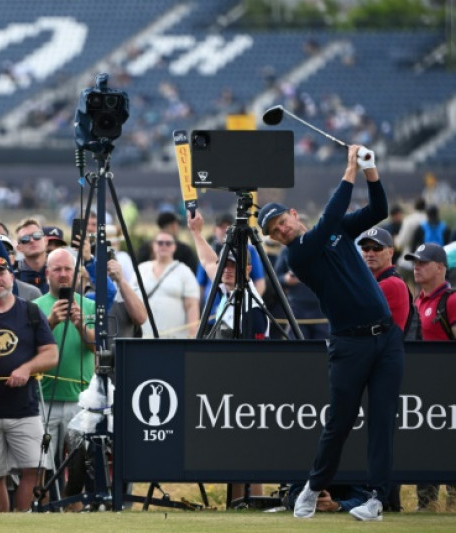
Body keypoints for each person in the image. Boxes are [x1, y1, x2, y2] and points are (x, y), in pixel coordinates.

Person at [258, 145, 403, 522]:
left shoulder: (335, 229)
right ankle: (312, 487)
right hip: (349, 343)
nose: (282, 230)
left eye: (282, 222)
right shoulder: (298, 255)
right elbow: (331, 217)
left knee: (383, 420)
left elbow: (377, 212)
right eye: (275, 232)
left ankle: (375, 499)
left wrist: (371, 170)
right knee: (339, 421)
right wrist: (350, 167)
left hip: (386, 338)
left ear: (292, 214)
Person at [0, 256, 58, 512]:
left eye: (1, 274)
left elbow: (51, 354)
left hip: (27, 410)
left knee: (38, 467)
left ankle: (26, 522)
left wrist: (26, 368)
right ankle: (3, 526)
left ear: (12, 277)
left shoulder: (31, 311)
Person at [34, 249, 96, 484]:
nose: (62, 274)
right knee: (42, 463)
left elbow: (98, 348)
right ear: (47, 273)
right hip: (44, 398)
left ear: (76, 273)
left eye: (67, 269)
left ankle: (75, 509)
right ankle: (44, 507)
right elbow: (28, 349)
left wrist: (81, 325)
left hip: (79, 399)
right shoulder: (35, 306)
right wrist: (50, 322)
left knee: (80, 463)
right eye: (57, 269)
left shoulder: (89, 306)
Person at [405, 243, 456, 511]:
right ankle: (426, 503)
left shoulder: (452, 300)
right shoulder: (418, 301)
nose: (417, 266)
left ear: (440, 267)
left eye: (423, 262)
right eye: (415, 262)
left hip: (449, 389)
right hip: (423, 392)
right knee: (425, 447)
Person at [188, 211, 269, 339]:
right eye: (224, 265)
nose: (227, 269)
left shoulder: (252, 308)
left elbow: (255, 353)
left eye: (233, 265)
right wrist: (196, 232)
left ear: (248, 269)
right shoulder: (227, 287)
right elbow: (208, 262)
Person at [137, 231, 199, 339]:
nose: (164, 246)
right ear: (153, 246)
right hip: (144, 336)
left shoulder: (184, 271)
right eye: (160, 243)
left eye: (168, 243)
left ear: (174, 247)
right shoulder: (141, 269)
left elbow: (192, 305)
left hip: (175, 338)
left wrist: (192, 334)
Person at [14, 219, 48, 293]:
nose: (32, 240)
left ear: (46, 240)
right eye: (25, 239)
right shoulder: (13, 277)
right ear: (19, 248)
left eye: (37, 235)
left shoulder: (59, 270)